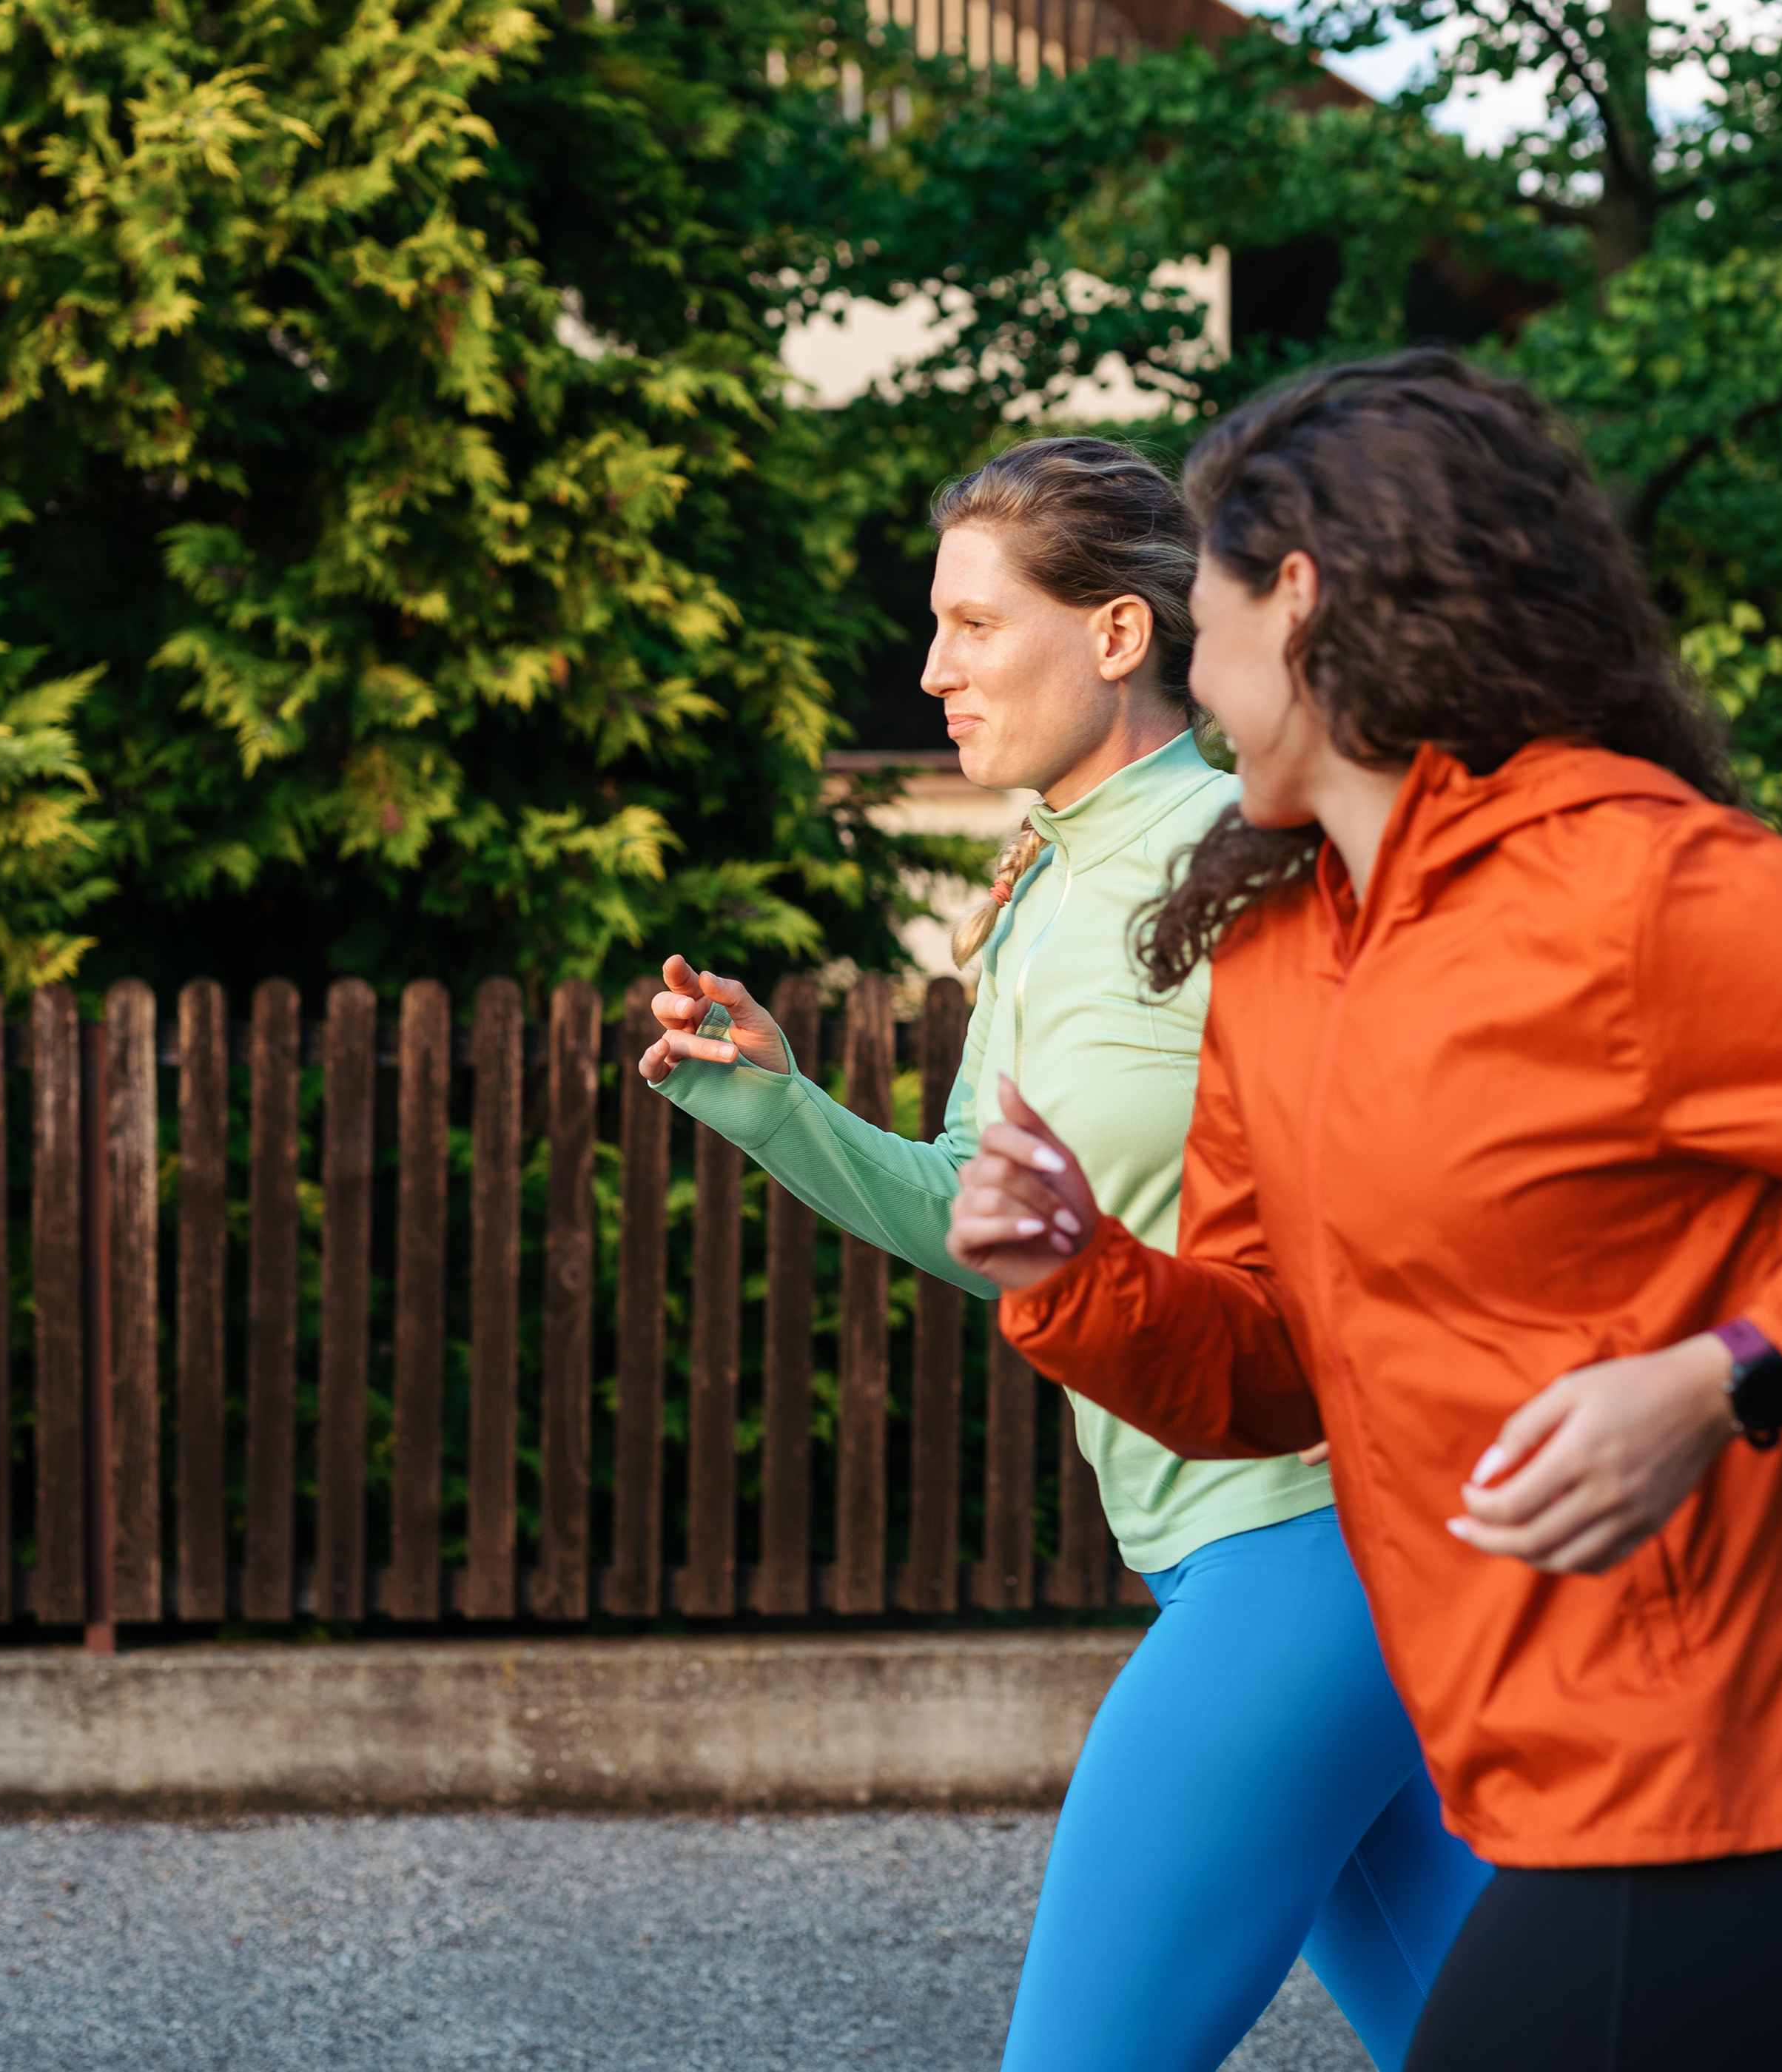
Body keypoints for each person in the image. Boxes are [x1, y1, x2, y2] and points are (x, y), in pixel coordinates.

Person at [947, 357, 1782, 2072]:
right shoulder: (1282, 951)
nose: (1195, 661)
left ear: (1297, 604)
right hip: (1538, 1781)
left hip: (1753, 1787)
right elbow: (1278, 1369)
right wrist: (1078, 1273)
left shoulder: (1636, 886)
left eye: (1207, 604)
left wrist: (1730, 1375)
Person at [635, 435, 1490, 2071]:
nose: (934, 669)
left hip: (1322, 1543)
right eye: (937, 626)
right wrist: (783, 1112)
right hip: (1216, 1549)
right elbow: (994, 1221)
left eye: (974, 624)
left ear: (1115, 635)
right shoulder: (1042, 885)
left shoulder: (1253, 861)